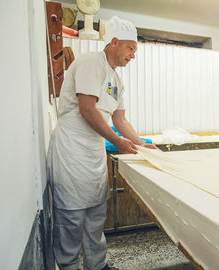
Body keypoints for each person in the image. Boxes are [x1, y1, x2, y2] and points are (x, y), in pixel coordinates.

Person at [47, 16, 157, 270]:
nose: (133, 55)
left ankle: (98, 266)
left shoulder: (116, 81)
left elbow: (120, 120)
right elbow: (87, 109)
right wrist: (118, 142)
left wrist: (141, 146)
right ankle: (68, 266)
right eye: (130, 48)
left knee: (96, 218)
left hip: (93, 152)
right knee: (71, 220)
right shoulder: (90, 64)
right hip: (72, 151)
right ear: (114, 42)